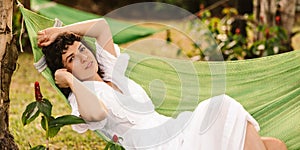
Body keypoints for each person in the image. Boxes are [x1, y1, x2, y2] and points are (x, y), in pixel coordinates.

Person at [37, 18, 287, 150]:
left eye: (82, 49)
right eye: (72, 59)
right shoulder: (82, 96)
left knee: (275, 146)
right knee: (222, 106)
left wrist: (60, 33)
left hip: (181, 131)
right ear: (65, 70)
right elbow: (98, 113)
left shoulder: (112, 71)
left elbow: (101, 26)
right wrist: (69, 80)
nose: (83, 57)